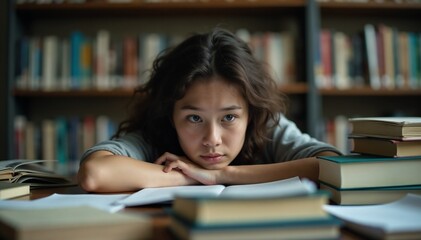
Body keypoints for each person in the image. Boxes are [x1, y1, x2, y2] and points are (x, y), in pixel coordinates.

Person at [78, 28, 340, 193]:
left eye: (229, 117)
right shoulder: (154, 134)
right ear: (170, 114)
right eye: (194, 118)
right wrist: (189, 178)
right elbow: (95, 174)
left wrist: (221, 175)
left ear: (251, 113)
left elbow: (334, 166)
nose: (212, 139)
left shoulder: (267, 125)